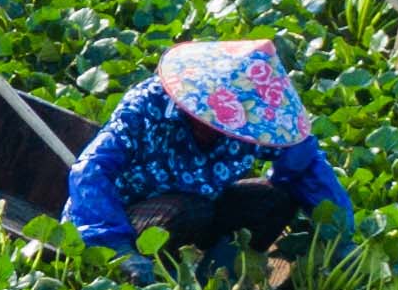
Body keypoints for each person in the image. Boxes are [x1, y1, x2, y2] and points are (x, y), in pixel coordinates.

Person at [65, 40, 359, 267]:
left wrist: (340, 235)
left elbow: (303, 161)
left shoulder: (257, 118)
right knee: (190, 212)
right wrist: (115, 245)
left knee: (274, 199)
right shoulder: (148, 106)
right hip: (126, 216)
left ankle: (217, 279)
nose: (221, 130)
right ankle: (150, 277)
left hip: (204, 209)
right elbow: (90, 172)